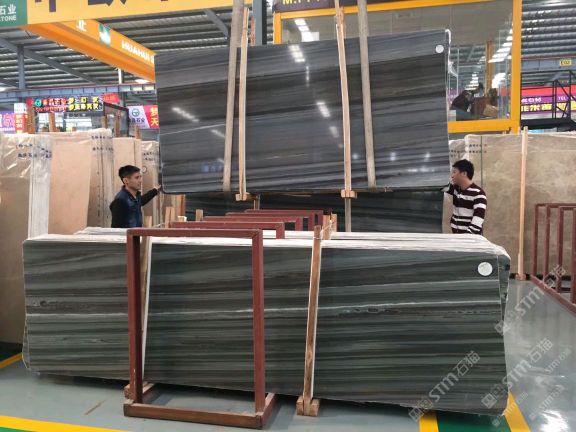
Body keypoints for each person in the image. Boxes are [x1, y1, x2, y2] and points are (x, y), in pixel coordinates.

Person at [445, 160, 487, 235]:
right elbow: (441, 185)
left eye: (454, 172)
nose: (452, 176)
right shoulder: (456, 189)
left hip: (470, 239)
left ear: (464, 173)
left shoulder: (478, 194)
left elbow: (477, 222)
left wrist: (465, 238)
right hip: (457, 236)